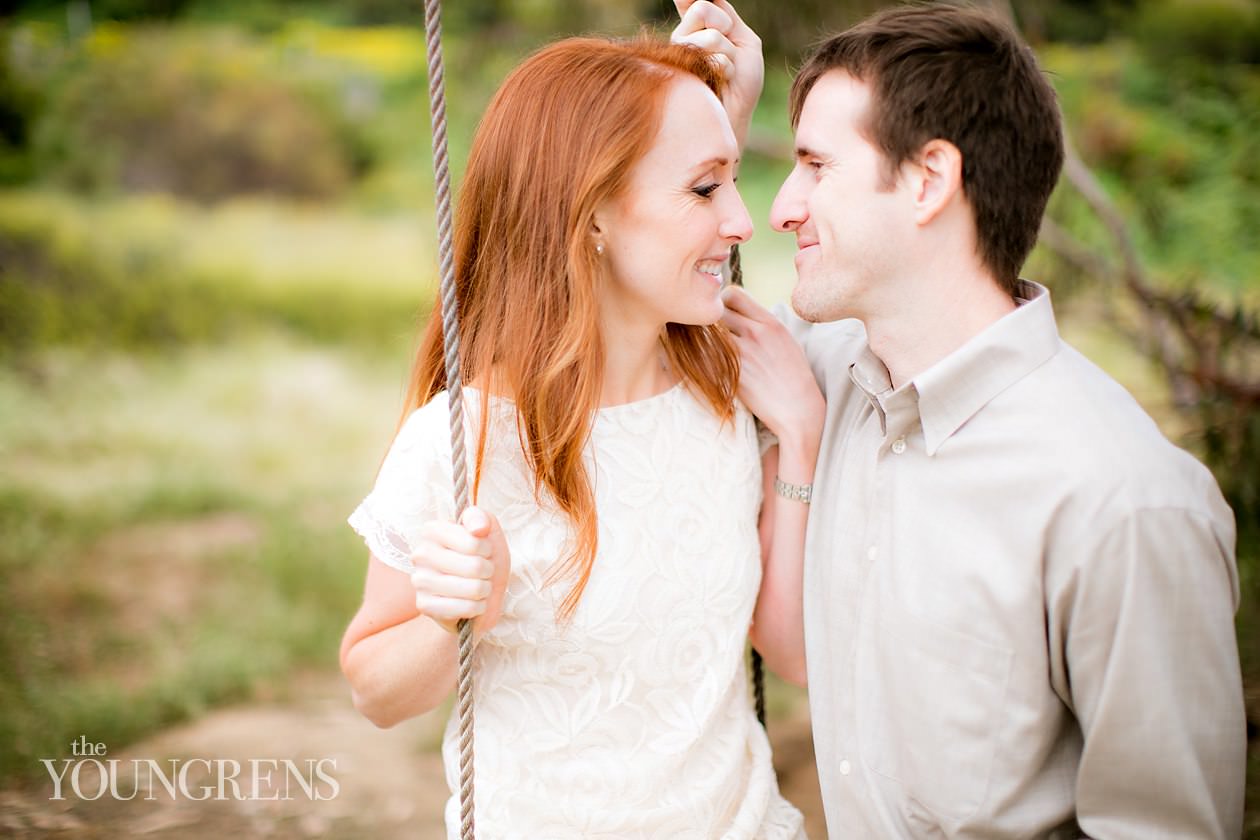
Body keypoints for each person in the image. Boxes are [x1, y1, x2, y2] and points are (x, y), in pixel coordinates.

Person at [706, 4, 1246, 837]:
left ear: (929, 180)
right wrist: (716, 126)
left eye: (816, 165)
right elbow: (659, 333)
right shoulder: (823, 365)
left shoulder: (1126, 504)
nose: (783, 207)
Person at [337, 28, 813, 839]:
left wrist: (800, 439)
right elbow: (374, 691)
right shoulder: (469, 439)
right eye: (706, 190)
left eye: (732, 182)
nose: (743, 219)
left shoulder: (735, 393)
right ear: (590, 216)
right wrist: (454, 616)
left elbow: (795, 659)